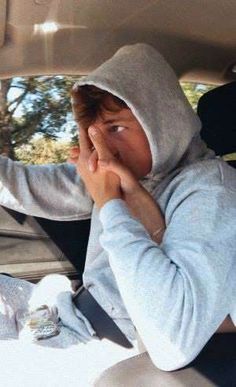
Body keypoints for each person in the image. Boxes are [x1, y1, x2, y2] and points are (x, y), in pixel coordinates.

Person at [0, 43, 236, 371]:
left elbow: (172, 340)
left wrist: (110, 203)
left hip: (105, 346)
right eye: (91, 134)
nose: (102, 149)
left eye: (116, 128)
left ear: (161, 121)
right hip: (66, 315)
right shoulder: (114, 168)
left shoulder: (210, 191)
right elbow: (21, 185)